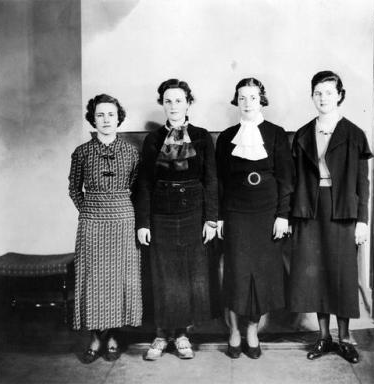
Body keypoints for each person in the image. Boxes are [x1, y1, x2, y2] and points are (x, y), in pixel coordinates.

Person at [289, 71, 373, 363]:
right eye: (318, 92)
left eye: (328, 92)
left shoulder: (354, 134)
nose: (323, 98)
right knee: (316, 273)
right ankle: (323, 338)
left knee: (342, 275)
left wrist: (362, 221)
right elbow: (294, 179)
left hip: (343, 212)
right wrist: (291, 215)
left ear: (340, 95)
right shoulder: (302, 134)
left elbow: (363, 183)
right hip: (309, 210)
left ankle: (345, 339)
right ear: (312, 96)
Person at [135, 79, 218, 360]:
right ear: (162, 104)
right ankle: (161, 334)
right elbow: (144, 184)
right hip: (161, 214)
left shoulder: (202, 136)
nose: (173, 106)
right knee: (162, 274)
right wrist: (143, 222)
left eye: (179, 100)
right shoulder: (153, 140)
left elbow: (211, 180)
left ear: (188, 103)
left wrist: (211, 220)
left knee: (187, 274)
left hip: (193, 212)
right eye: (168, 101)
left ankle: (182, 335)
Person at [216, 78, 294, 359]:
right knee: (236, 274)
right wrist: (220, 217)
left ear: (262, 100)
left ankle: (252, 330)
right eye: (242, 97)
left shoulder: (276, 134)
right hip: (236, 214)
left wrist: (283, 215)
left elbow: (286, 179)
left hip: (266, 215)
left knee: (262, 276)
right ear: (236, 100)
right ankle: (234, 332)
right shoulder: (226, 138)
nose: (248, 102)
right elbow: (220, 182)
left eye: (253, 97)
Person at [69, 94, 142, 364]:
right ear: (93, 119)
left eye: (111, 114)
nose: (106, 120)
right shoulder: (82, 152)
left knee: (119, 280)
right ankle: (96, 338)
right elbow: (74, 188)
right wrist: (89, 210)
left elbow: (136, 187)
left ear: (118, 117)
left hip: (123, 220)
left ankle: (113, 336)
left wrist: (121, 208)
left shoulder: (131, 151)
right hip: (92, 222)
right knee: (93, 281)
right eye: (100, 115)